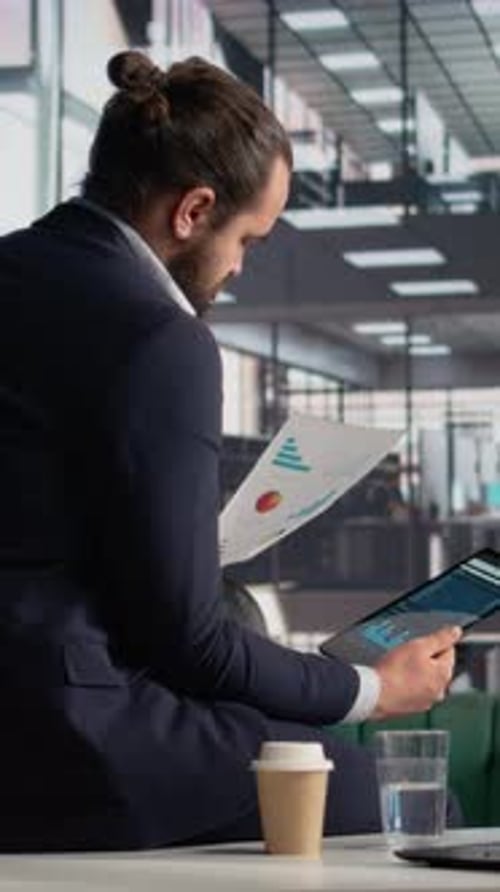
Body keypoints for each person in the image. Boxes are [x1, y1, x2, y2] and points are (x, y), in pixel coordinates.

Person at [0, 51, 460, 851]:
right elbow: (190, 641)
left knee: (270, 729)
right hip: (59, 738)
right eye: (248, 237)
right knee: (371, 789)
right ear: (193, 210)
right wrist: (370, 687)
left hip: (32, 702)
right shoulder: (158, 339)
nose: (241, 267)